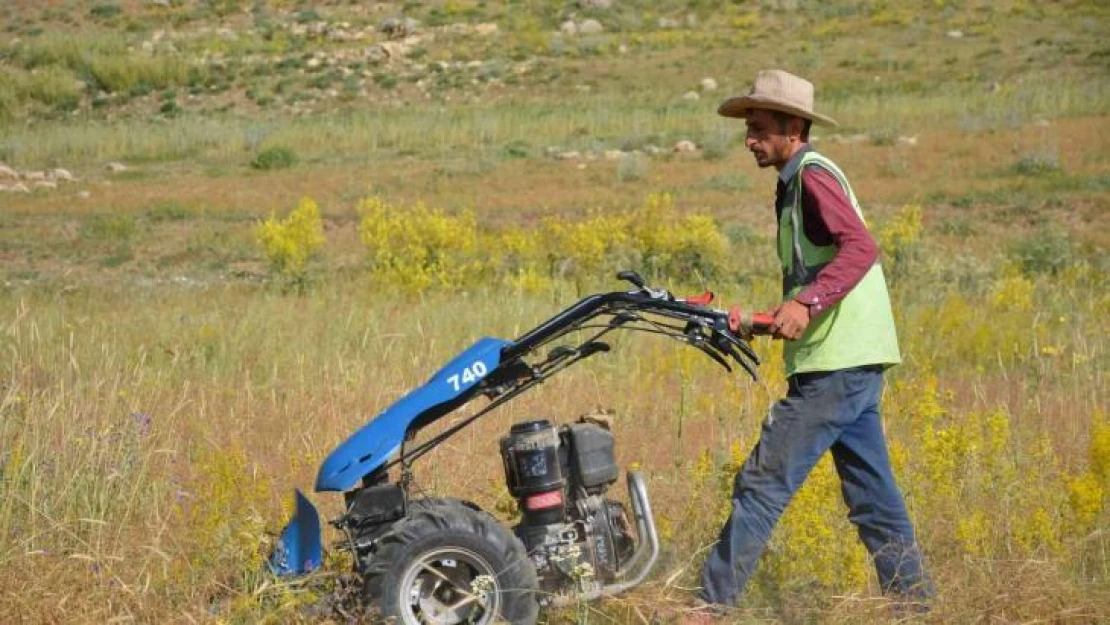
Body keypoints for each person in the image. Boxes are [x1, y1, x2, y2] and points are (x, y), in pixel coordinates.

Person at [691, 69, 932, 616]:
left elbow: (859, 248)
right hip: (852, 359)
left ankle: (709, 607)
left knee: (763, 481)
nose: (749, 140)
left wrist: (805, 304)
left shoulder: (813, 175)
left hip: (837, 364)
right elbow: (817, 270)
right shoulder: (796, 182)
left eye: (759, 128)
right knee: (874, 497)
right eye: (747, 129)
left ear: (793, 127)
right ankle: (915, 605)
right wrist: (763, 317)